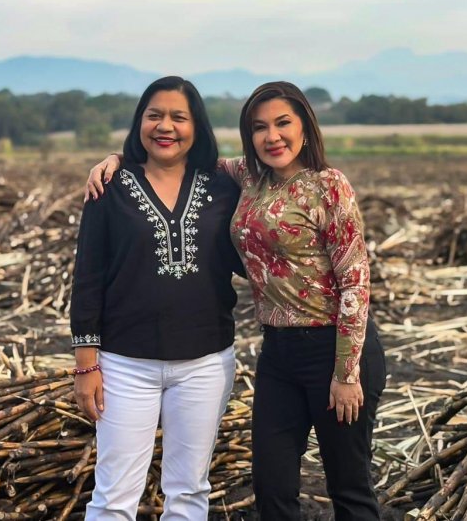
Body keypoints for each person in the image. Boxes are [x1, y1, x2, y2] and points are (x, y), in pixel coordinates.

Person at [86, 81, 386, 521]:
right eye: (260, 127)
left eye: (283, 123)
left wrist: (346, 373)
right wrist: (118, 159)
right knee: (272, 487)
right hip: (279, 355)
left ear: (305, 126)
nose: (273, 136)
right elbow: (176, 153)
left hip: (337, 351)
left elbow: (355, 281)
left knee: (348, 485)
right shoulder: (247, 176)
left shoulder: (329, 185)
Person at [70, 76, 244, 520]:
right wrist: (86, 365)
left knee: (189, 492)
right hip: (124, 364)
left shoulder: (223, 188)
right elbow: (87, 278)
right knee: (113, 497)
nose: (165, 126)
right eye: (154, 115)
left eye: (178, 117)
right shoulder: (108, 188)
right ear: (139, 123)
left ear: (197, 127)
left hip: (205, 363)